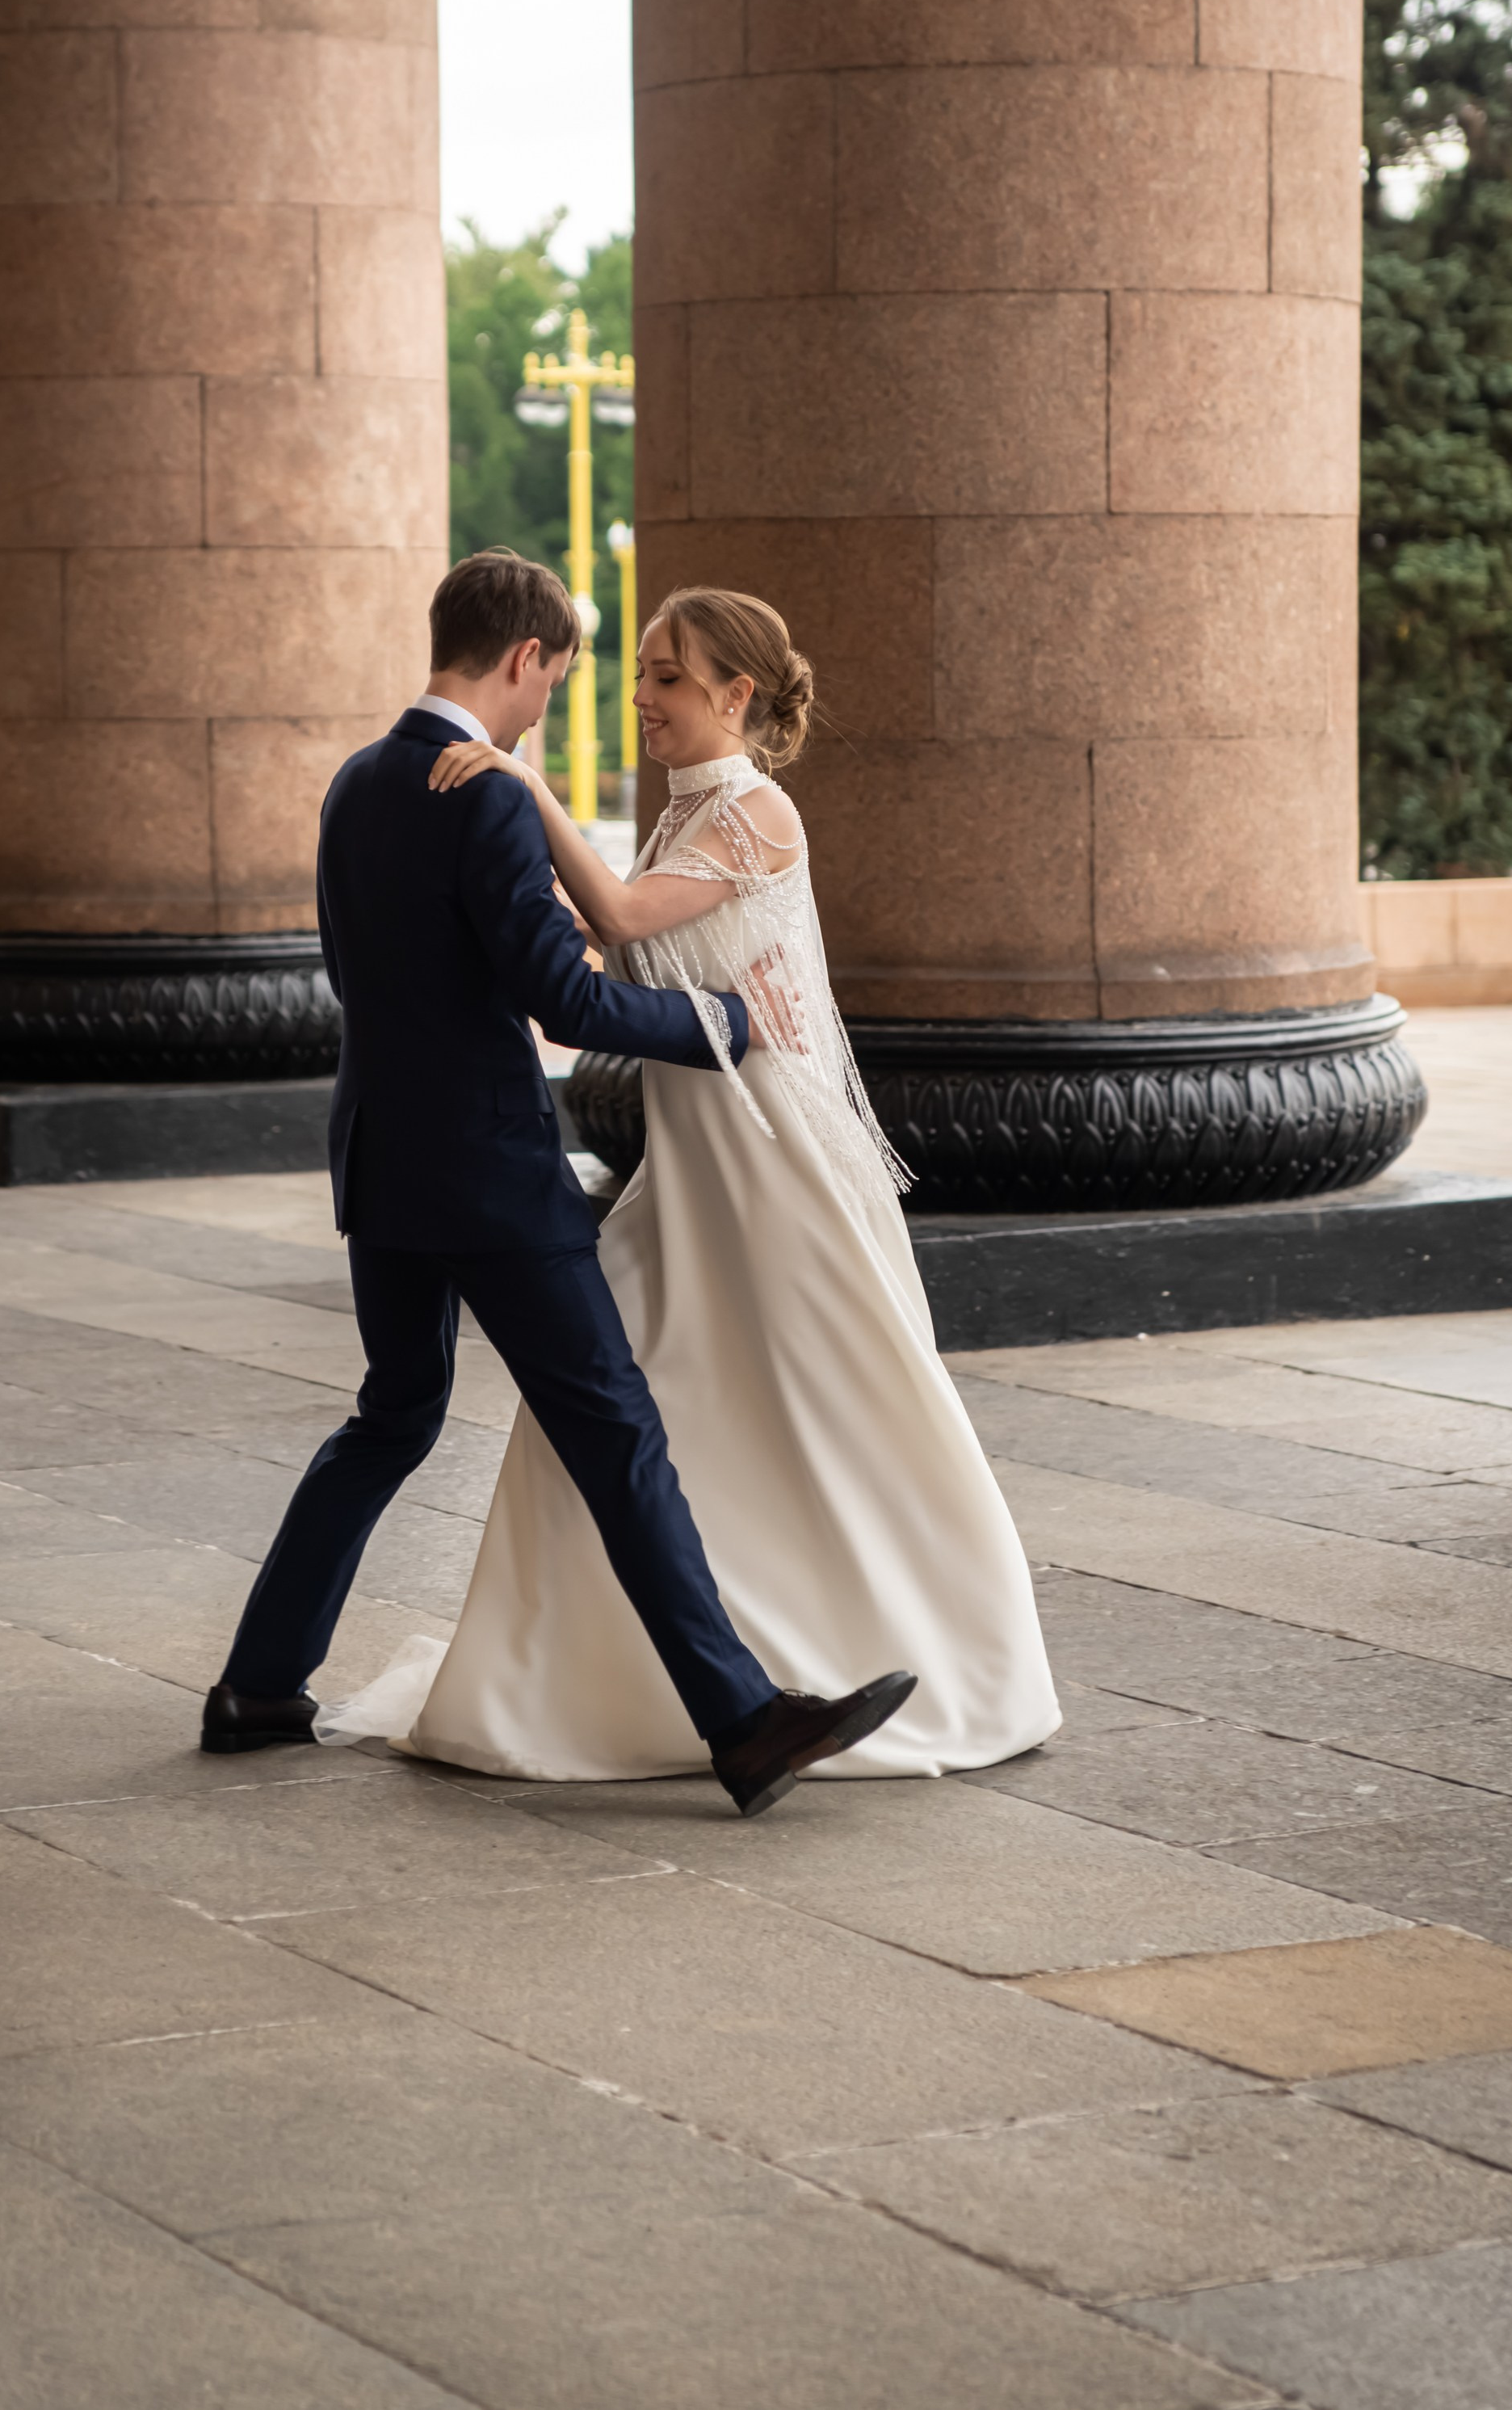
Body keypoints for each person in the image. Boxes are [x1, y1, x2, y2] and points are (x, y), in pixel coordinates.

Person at [201, 550, 915, 1816]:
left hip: (378, 1155)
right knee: (615, 1433)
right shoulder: (476, 793)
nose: (550, 710)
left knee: (392, 1415)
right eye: (560, 679)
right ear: (526, 656)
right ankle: (742, 1720)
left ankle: (257, 1687)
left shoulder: (355, 783)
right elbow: (568, 998)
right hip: (488, 1176)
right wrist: (725, 1029)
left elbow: (357, 970)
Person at [324, 583, 1060, 1782]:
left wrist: (520, 783)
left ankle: (934, 1648)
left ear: (736, 694)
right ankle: (596, 1680)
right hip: (693, 1155)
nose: (642, 696)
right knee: (630, 1408)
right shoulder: (680, 820)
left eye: (669, 676)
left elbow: (611, 916)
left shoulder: (758, 812)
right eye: (640, 673)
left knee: (832, 1392)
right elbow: (604, 945)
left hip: (770, 1154)